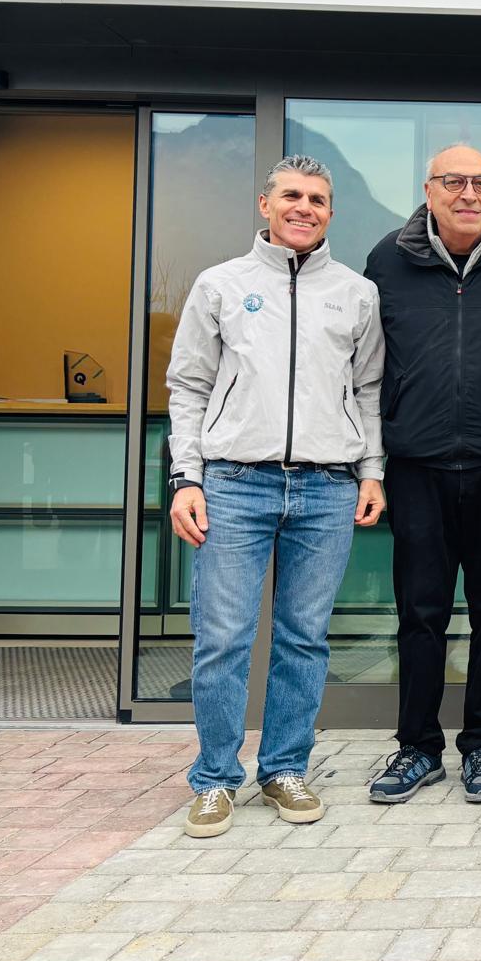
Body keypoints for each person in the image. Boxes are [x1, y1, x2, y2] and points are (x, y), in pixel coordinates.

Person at [166, 154, 385, 838]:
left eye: (317, 199)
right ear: (265, 205)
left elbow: (369, 390)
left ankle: (285, 768)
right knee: (223, 639)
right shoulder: (221, 285)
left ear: (330, 212)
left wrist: (372, 470)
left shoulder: (356, 293)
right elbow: (188, 386)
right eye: (291, 195)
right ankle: (214, 778)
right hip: (234, 484)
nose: (304, 208)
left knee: (303, 639)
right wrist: (186, 478)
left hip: (327, 487)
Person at [363, 144, 481, 804]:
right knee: (420, 613)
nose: (468, 193)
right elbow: (367, 368)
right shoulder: (388, 260)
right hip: (416, 467)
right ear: (429, 190)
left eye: (480, 181)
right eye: (454, 181)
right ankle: (418, 747)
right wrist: (372, 462)